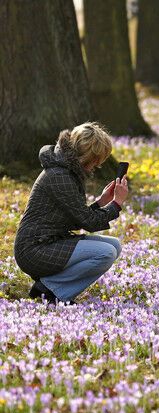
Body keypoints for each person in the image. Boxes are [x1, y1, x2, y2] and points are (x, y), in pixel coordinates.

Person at [13, 122, 129, 305]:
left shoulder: (65, 171)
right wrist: (116, 204)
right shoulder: (60, 177)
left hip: (49, 242)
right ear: (87, 156)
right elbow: (88, 223)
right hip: (34, 250)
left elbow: (75, 219)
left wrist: (102, 202)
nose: (97, 165)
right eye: (96, 160)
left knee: (114, 245)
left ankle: (50, 287)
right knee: (105, 253)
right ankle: (52, 291)